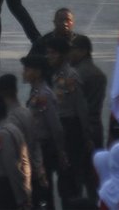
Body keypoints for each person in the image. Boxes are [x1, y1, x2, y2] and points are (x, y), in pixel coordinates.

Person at [46, 38, 89, 206]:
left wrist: (86, 135)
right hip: (59, 130)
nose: (49, 56)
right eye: (48, 53)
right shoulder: (57, 75)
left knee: (70, 180)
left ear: (63, 55)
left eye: (53, 53)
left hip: (71, 129)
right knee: (63, 178)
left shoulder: (71, 76)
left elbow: (81, 107)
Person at [21, 53, 67, 209]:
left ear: (38, 72)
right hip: (36, 148)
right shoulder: (35, 92)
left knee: (43, 191)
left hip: (44, 148)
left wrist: (60, 151)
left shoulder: (44, 95)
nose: (24, 73)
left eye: (28, 69)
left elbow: (55, 126)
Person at [0, 73, 46, 197]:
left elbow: (11, 157)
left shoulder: (9, 120)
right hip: (33, 170)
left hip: (18, 176)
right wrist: (39, 166)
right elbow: (36, 142)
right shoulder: (27, 112)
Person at [0, 94, 32, 210]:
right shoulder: (13, 129)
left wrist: (20, 198)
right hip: (7, 186)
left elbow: (11, 166)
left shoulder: (2, 134)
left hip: (2, 188)